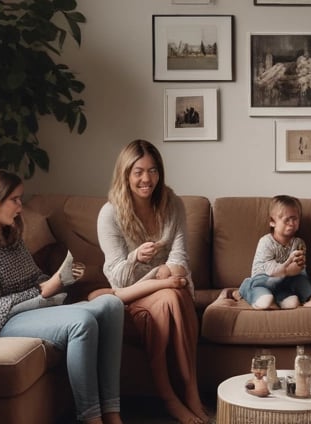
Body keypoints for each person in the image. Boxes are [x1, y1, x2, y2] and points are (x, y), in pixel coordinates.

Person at [0, 169, 124, 424]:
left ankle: (111, 412)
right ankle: (91, 418)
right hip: (5, 324)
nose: (21, 206)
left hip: (37, 309)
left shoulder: (12, 238)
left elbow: (35, 278)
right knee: (82, 323)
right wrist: (44, 290)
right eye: (16, 199)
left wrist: (58, 279)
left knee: (112, 304)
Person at [96, 139, 208, 424]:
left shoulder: (173, 205)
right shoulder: (110, 214)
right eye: (138, 171)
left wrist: (165, 276)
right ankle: (174, 397)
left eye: (153, 170)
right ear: (126, 174)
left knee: (173, 294)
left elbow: (180, 260)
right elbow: (117, 278)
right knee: (172, 293)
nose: (147, 179)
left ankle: (190, 391)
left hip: (174, 285)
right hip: (135, 292)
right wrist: (136, 258)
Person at [229, 195, 311, 309]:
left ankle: (310, 298)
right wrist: (288, 269)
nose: (291, 223)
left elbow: (300, 269)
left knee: (293, 300)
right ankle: (246, 288)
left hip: (283, 284)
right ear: (272, 222)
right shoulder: (266, 242)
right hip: (263, 280)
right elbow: (270, 269)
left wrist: (298, 267)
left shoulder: (299, 243)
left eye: (295, 218)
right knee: (265, 300)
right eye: (286, 219)